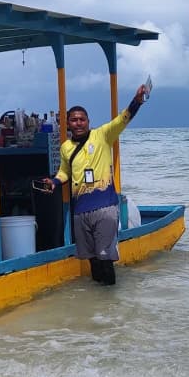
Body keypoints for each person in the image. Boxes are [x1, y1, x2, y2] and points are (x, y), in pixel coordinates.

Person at [38, 84, 149, 286]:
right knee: (93, 262)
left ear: (89, 122)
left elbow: (123, 118)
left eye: (82, 119)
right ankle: (98, 310)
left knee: (105, 260)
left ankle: (111, 305)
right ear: (67, 124)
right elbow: (65, 172)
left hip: (105, 208)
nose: (78, 123)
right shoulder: (66, 147)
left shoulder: (103, 135)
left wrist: (137, 101)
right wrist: (53, 182)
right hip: (80, 212)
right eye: (74, 120)